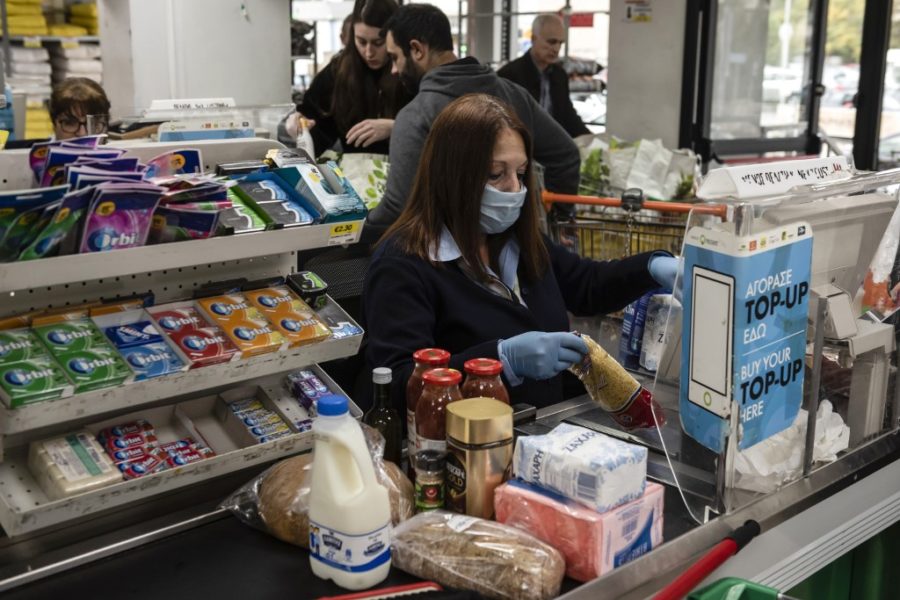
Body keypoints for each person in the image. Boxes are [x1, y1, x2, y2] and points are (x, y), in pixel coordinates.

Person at [362, 94, 679, 410]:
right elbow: (400, 384)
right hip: (470, 444)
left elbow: (587, 285)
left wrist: (652, 267)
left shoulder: (516, 240)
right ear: (452, 176)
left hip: (542, 428)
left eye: (521, 172)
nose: (514, 189)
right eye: (495, 174)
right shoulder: (403, 264)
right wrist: (500, 360)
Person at [364, 3, 581, 242]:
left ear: (416, 50)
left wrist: (355, 231)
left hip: (447, 262)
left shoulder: (417, 115)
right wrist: (560, 219)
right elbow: (566, 155)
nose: (394, 69)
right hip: (516, 249)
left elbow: (399, 208)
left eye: (395, 57)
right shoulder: (514, 95)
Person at [280, 0, 411, 156]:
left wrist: (396, 128)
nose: (369, 52)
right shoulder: (339, 71)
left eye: (378, 42)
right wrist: (300, 124)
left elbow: (433, 128)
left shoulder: (411, 71)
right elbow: (315, 122)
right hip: (353, 174)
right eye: (361, 42)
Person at [498, 14, 590, 138]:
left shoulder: (559, 75)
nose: (556, 48)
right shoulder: (510, 74)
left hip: (555, 145)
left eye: (560, 43)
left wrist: (591, 139)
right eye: (551, 42)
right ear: (533, 39)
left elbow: (568, 115)